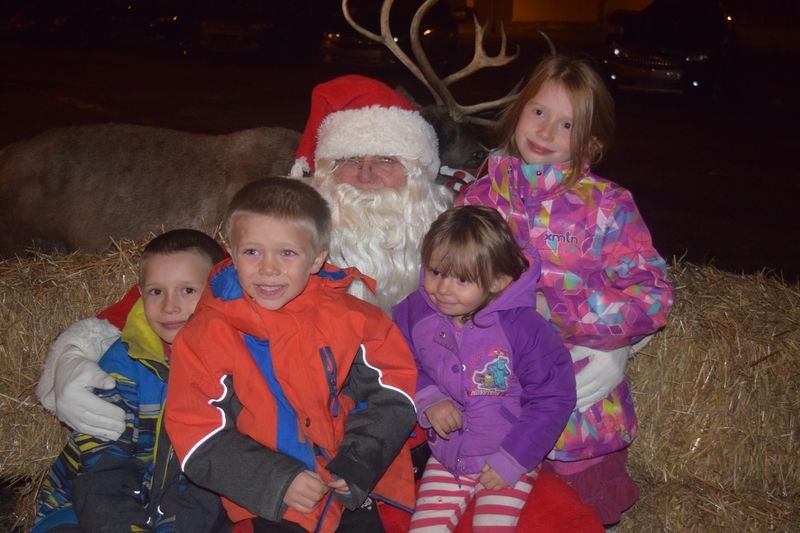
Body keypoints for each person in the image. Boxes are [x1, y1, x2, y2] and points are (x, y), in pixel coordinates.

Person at [36, 75, 453, 440]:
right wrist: (73, 356)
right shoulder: (273, 259)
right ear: (320, 176)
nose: (364, 175)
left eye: (385, 160)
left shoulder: (456, 253)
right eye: (347, 160)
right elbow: (168, 297)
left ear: (419, 175)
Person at [457, 54, 675, 525]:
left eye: (567, 125)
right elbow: (446, 283)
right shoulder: (478, 199)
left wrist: (556, 309)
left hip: (577, 417)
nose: (545, 131)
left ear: (591, 143)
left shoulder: (608, 207)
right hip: (495, 410)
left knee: (573, 517)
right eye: (539, 112)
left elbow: (653, 297)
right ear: (519, 109)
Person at [163, 177, 418, 532]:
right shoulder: (204, 336)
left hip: (345, 480)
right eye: (252, 252)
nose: (268, 269)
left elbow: (393, 391)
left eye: (287, 253)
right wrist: (278, 482)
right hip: (270, 499)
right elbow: (195, 433)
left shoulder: (355, 319)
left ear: (317, 258)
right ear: (231, 253)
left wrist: (358, 461)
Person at [392, 205, 577, 531]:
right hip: (449, 457)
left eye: (462, 279)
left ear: (498, 281)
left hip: (507, 452)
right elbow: (400, 359)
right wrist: (429, 396)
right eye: (436, 272)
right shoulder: (415, 311)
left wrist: (515, 458)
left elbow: (553, 397)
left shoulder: (524, 329)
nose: (443, 289)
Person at [33, 229, 230, 532]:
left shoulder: (235, 369)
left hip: (182, 512)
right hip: (86, 505)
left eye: (188, 291)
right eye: (156, 291)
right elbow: (99, 468)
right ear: (140, 293)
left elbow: (213, 480)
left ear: (220, 290)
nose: (169, 307)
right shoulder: (123, 363)